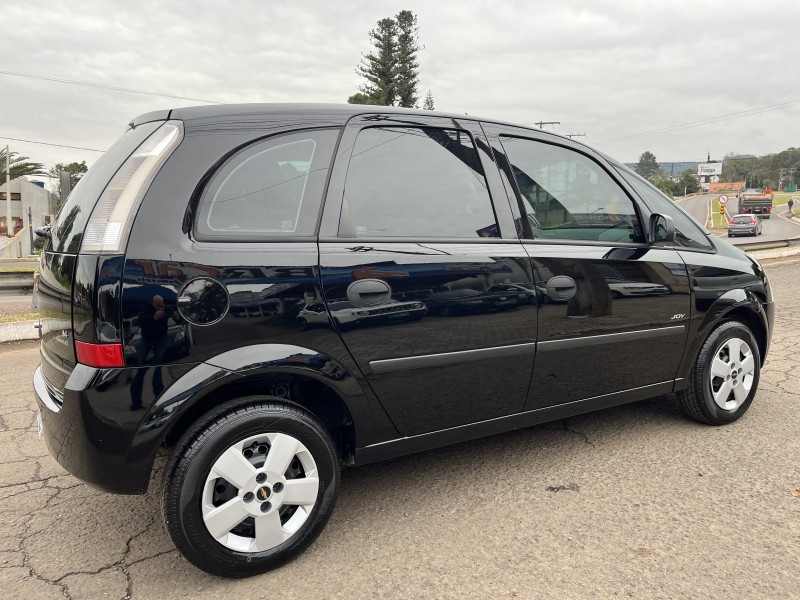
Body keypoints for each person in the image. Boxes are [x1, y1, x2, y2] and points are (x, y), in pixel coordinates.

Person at [130, 295, 179, 410]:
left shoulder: (167, 306)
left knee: (158, 366)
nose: (161, 308)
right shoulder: (146, 307)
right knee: (141, 367)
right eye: (158, 306)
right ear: (153, 303)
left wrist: (177, 317)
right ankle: (136, 402)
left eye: (162, 306)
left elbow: (179, 320)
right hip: (147, 338)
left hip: (161, 338)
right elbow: (139, 321)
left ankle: (160, 399)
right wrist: (153, 317)